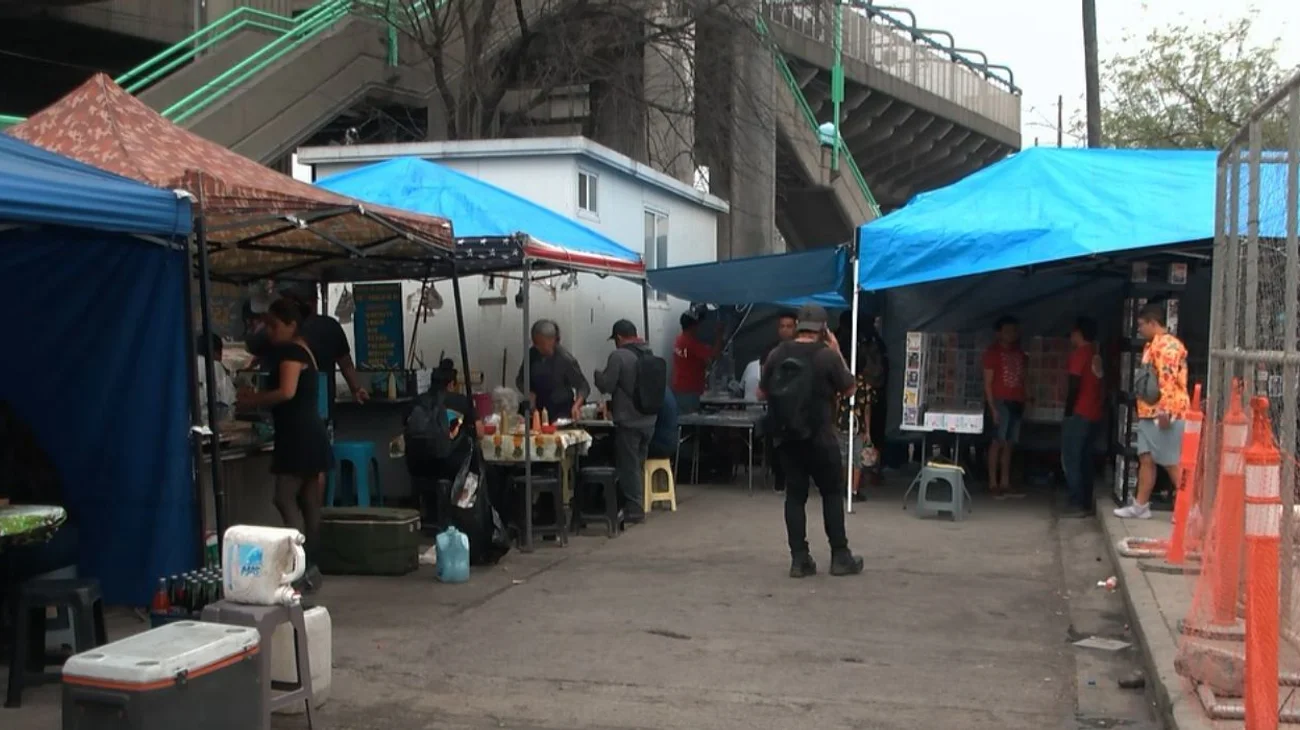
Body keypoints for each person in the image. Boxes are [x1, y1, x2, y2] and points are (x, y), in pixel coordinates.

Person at [759, 304, 864, 579]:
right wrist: (838, 350)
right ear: (823, 329)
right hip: (820, 437)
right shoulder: (827, 356)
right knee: (831, 493)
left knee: (795, 496)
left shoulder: (776, 354)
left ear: (797, 326)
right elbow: (850, 388)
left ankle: (799, 559)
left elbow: (761, 393)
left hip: (787, 438)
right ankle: (840, 556)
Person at [236, 298, 333, 592]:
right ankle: (311, 568)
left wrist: (252, 400)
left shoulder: (291, 351)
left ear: (291, 325)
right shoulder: (306, 350)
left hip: (298, 434)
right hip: (309, 432)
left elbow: (286, 392)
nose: (269, 331)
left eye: (274, 325)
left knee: (284, 497)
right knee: (309, 503)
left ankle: (297, 563)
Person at [1115, 303, 1189, 520]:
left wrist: (1165, 411)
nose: (1139, 329)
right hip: (1150, 412)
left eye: (1141, 325)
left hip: (1165, 413)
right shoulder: (1153, 345)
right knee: (1146, 458)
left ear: (1152, 323)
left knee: (1171, 462)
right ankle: (1140, 506)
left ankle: (1189, 509)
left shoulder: (1168, 347)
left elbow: (1167, 380)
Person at [594, 319, 660, 523]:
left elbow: (607, 385)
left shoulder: (618, 356)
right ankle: (636, 501)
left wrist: (597, 375)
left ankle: (634, 508)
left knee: (628, 466)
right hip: (649, 420)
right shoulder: (648, 352)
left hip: (629, 421)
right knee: (637, 464)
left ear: (619, 338)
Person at [279, 284, 369, 410]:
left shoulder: (289, 329)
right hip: (324, 402)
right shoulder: (330, 325)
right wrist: (356, 388)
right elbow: (346, 363)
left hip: (296, 405)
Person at [1062, 317, 1105, 518]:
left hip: (1079, 412)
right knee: (1085, 458)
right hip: (1094, 412)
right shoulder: (1096, 354)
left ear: (1078, 333)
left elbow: (1074, 384)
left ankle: (1076, 502)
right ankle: (1086, 500)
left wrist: (1068, 412)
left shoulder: (1080, 354)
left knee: (1072, 458)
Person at [983, 316, 1028, 498]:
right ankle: (993, 482)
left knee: (1010, 443)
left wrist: (1027, 397)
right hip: (1000, 401)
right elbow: (988, 383)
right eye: (1008, 330)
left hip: (1017, 400)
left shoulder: (1020, 353)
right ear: (998, 333)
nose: (1012, 334)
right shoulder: (992, 353)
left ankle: (1005, 482)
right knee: (997, 442)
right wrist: (992, 407)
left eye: (1014, 330)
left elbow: (1025, 378)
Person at [515, 319, 590, 421]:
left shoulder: (565, 359)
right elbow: (520, 380)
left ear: (552, 340)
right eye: (535, 343)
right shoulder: (531, 355)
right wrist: (529, 392)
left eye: (541, 343)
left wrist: (576, 405)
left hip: (561, 412)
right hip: (538, 411)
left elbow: (583, 386)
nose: (537, 346)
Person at [763, 310, 798, 492]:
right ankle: (779, 478)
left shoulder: (803, 349)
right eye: (782, 326)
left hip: (799, 405)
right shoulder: (771, 350)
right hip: (776, 404)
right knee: (777, 443)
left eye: (789, 326)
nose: (785, 330)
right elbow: (764, 375)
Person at [671, 312, 720, 414]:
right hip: (689, 390)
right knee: (689, 419)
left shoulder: (679, 339)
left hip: (680, 388)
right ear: (693, 326)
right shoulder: (691, 343)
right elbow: (713, 355)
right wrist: (720, 335)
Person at [195, 333, 236, 426]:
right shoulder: (215, 366)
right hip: (209, 426)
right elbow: (230, 400)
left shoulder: (184, 366)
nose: (221, 359)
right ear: (215, 352)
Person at [649, 387, 679, 460]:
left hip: (659, 445)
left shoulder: (654, 392)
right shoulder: (666, 390)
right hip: (671, 443)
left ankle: (629, 470)